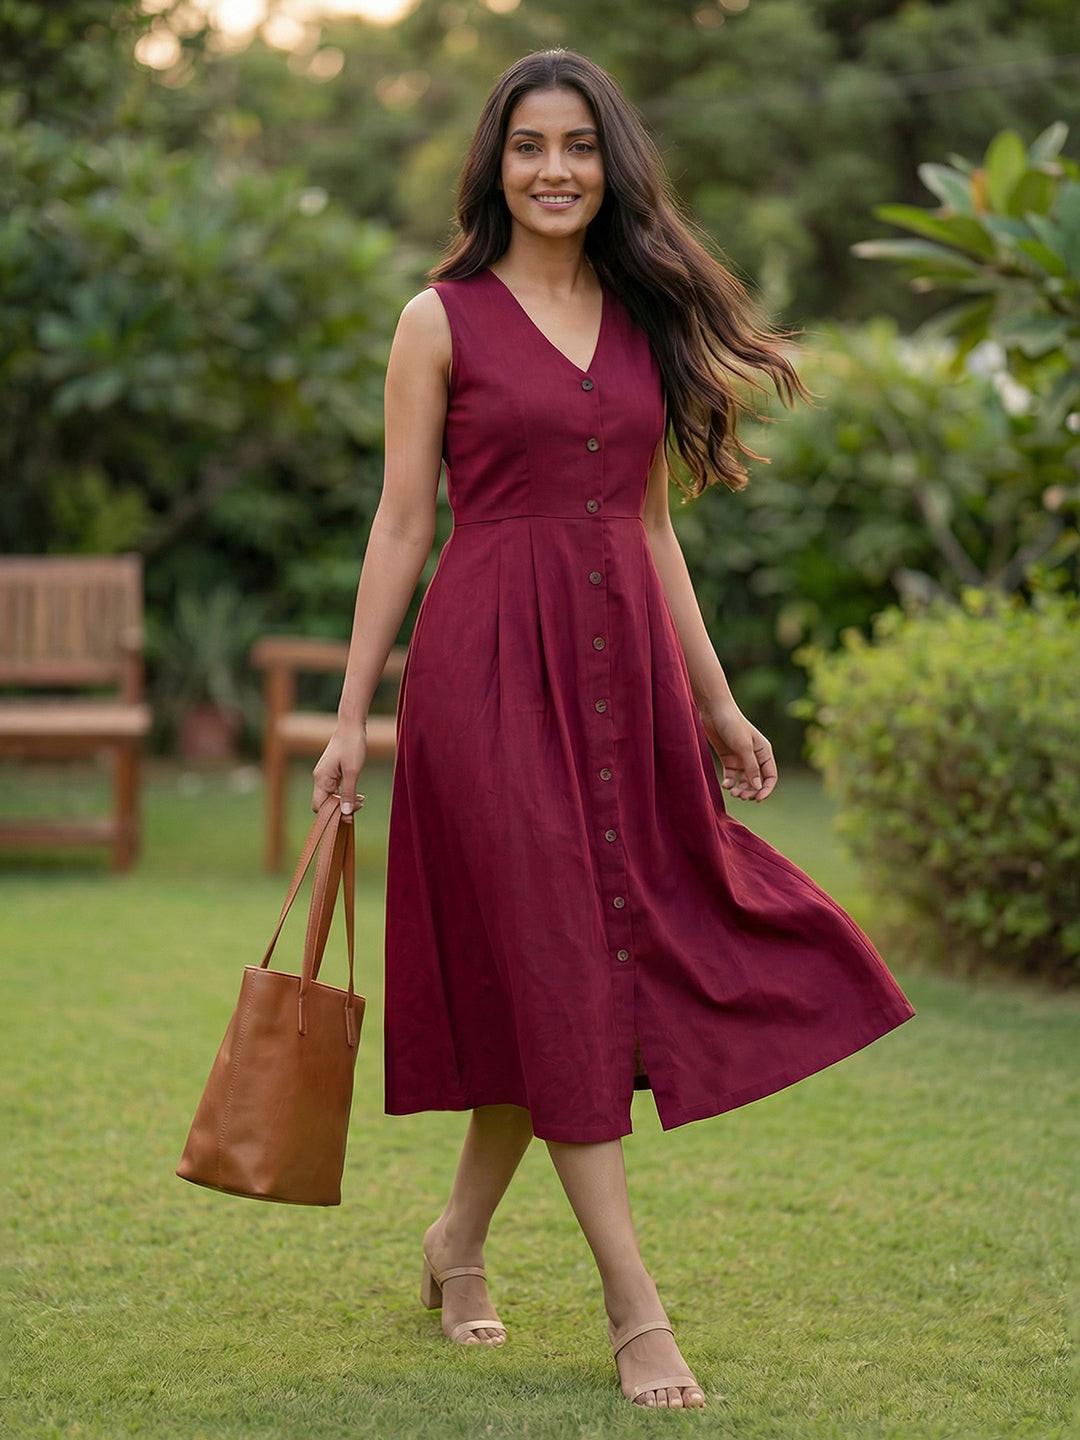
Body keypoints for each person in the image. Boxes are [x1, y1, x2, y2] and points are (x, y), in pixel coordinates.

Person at [311, 48, 916, 1411]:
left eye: (578, 144)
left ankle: (456, 1246)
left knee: (565, 973)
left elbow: (648, 527)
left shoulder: (640, 322)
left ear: (611, 162)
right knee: (565, 962)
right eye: (530, 145)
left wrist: (714, 697)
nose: (555, 169)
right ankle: (635, 1309)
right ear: (495, 165)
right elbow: (405, 522)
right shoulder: (440, 318)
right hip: (485, 682)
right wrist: (351, 719)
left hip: (618, 678)